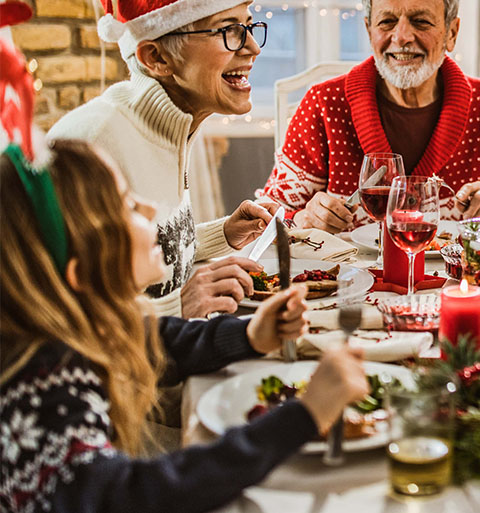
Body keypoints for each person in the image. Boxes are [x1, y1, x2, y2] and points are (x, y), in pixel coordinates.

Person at [0, 139, 369, 513]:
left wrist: (249, 334)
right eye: (129, 206)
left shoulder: (79, 326)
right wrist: (302, 416)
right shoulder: (43, 388)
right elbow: (132, 496)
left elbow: (159, 340)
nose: (152, 209)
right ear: (82, 272)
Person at [48, 0, 277, 319]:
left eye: (249, 27)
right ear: (157, 58)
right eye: (229, 31)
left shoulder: (172, 126)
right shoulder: (91, 145)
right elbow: (55, 312)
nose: (252, 47)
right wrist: (177, 307)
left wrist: (223, 235)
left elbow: (148, 261)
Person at [257, 0, 480, 232]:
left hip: (451, 278)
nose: (402, 36)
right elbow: (265, 218)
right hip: (344, 276)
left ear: (451, 33)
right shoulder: (324, 103)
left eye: (420, 21)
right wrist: (300, 218)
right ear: (369, 30)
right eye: (387, 21)